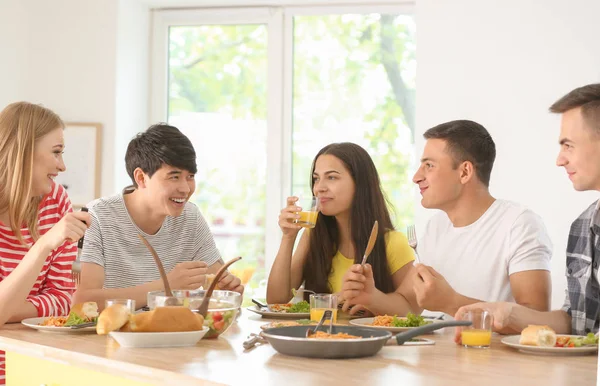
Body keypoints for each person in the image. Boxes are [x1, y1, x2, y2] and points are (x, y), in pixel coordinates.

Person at [342, 120, 553, 317]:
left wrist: (451, 303)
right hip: (442, 355)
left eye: (429, 165)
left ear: (464, 172)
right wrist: (372, 297)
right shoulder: (436, 227)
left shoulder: (519, 224)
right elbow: (408, 304)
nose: (416, 177)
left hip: (494, 357)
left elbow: (536, 318)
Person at [455, 83, 600, 337]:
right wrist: (509, 313)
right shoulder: (583, 227)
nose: (559, 159)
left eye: (568, 145)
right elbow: (577, 322)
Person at [73, 124, 242, 310]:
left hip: (175, 333)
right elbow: (83, 302)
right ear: (141, 178)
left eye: (190, 176)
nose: (185, 188)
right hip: (113, 336)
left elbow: (217, 286)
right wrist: (166, 285)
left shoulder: (190, 217)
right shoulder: (97, 216)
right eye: (174, 177)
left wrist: (227, 291)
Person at [267, 142, 419, 315]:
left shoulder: (392, 242)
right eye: (316, 178)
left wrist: (373, 299)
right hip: (318, 338)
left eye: (331, 177)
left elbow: (411, 310)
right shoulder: (313, 235)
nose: (319, 188)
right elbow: (276, 301)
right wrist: (288, 237)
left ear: (360, 184)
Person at [0, 102, 90, 384]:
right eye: (56, 153)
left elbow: (64, 299)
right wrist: (43, 246)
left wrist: (8, 308)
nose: (62, 166)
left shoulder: (56, 201)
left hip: (32, 368)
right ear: (24, 151)